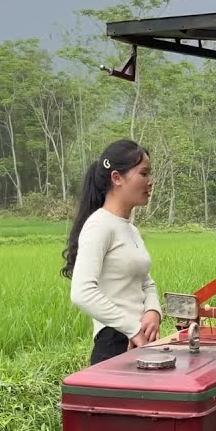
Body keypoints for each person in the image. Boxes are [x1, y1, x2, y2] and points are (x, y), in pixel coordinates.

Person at [62, 139, 163, 365]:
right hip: (115, 343)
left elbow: (146, 282)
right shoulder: (99, 225)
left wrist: (153, 311)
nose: (150, 181)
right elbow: (82, 292)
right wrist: (133, 328)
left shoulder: (130, 229)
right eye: (143, 173)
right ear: (117, 178)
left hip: (139, 341)